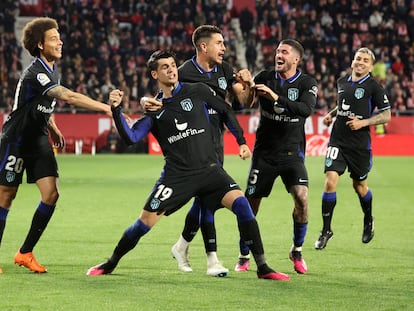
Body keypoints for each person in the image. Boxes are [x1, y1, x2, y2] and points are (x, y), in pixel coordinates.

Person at [86, 50, 290, 281]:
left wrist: (241, 141)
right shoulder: (154, 111)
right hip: (177, 177)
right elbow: (131, 138)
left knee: (243, 206)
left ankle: (262, 267)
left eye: (173, 65)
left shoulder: (198, 91)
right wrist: (115, 110)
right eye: (165, 67)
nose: (172, 69)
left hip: (210, 171)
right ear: (155, 74)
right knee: (144, 223)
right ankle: (111, 263)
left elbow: (225, 110)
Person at [0, 17, 113, 274]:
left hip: (38, 138)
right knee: (6, 196)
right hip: (16, 140)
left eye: (59, 36)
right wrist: (106, 108)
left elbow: (42, 106)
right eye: (53, 38)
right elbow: (67, 96)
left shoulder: (52, 70)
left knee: (51, 194)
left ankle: (25, 252)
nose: (60, 41)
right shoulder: (36, 72)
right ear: (40, 44)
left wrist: (53, 127)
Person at [142, 25, 256, 277]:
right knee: (206, 200)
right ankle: (212, 259)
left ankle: (182, 245)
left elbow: (244, 103)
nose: (224, 48)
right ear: (204, 46)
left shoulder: (225, 70)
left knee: (205, 200)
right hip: (194, 142)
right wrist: (143, 101)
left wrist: (250, 85)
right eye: (220, 43)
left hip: (216, 141)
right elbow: (161, 99)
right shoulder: (182, 72)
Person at [236, 39, 318, 274]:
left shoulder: (307, 83)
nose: (278, 55)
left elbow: (305, 110)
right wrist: (249, 86)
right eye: (277, 51)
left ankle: (297, 250)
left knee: (302, 198)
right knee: (250, 206)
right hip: (264, 153)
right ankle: (244, 254)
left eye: (284, 52)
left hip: (293, 153)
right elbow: (248, 103)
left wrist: (275, 97)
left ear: (296, 59)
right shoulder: (265, 76)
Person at [314, 47, 391, 250]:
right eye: (358, 58)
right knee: (330, 180)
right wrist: (332, 114)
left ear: (371, 66)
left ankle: (368, 219)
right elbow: (343, 104)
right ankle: (326, 230)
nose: (360, 62)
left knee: (359, 187)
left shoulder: (374, 87)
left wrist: (363, 123)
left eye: (365, 60)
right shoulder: (342, 82)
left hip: (359, 146)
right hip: (337, 140)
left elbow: (386, 115)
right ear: (352, 61)